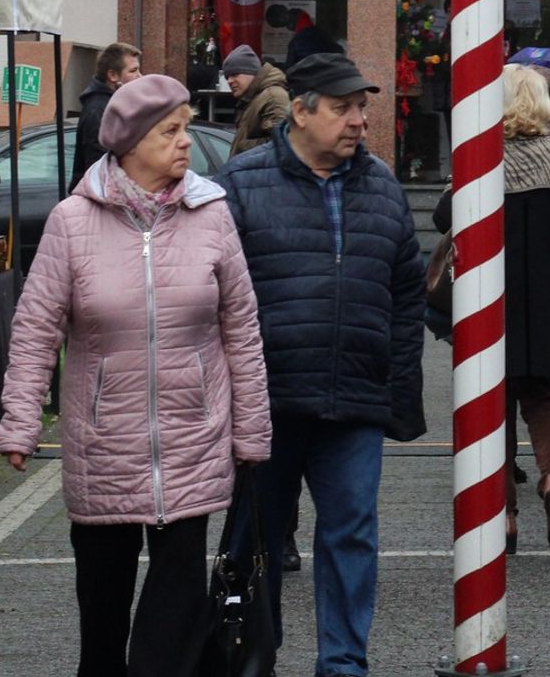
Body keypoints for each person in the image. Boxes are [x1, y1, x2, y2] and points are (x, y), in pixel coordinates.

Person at [0, 74, 272, 677]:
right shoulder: (72, 222)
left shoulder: (211, 214)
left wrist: (251, 432)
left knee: (171, 620)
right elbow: (36, 327)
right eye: (170, 130)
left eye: (185, 126)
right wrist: (19, 422)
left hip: (191, 440)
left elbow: (242, 330)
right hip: (103, 446)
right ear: (128, 142)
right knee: (102, 617)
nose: (185, 141)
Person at [216, 51, 426, 677]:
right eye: (342, 108)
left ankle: (343, 665)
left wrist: (396, 382)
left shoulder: (383, 185)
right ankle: (256, 655)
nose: (358, 120)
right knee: (254, 540)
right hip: (267, 402)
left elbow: (407, 291)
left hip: (353, 398)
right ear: (300, 112)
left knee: (351, 536)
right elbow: (215, 296)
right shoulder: (243, 183)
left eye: (362, 107)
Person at [435, 66, 550, 554]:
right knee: (544, 399)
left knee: (494, 409)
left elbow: (445, 218)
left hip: (490, 299)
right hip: (545, 298)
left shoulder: (481, 160)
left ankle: (503, 514)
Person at [71, 41, 141, 187]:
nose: (140, 76)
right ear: (113, 75)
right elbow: (100, 166)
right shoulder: (99, 110)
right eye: (133, 71)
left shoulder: (115, 105)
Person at [222, 43, 290, 157]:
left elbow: (282, 144)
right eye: (227, 77)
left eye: (235, 74)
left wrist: (242, 146)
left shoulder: (274, 97)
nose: (229, 81)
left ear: (251, 72)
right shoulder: (253, 99)